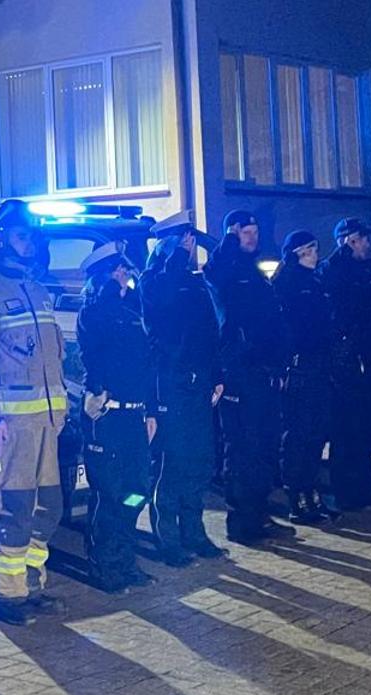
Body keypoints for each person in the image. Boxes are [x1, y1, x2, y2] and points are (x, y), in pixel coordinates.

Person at [0, 200, 68, 626]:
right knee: (12, 507)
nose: (31, 242)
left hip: (46, 424)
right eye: (23, 235)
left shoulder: (38, 291)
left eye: (32, 236)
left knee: (48, 507)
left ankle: (31, 582)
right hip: (9, 426)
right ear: (1, 239)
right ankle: (6, 593)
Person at [141, 211, 227, 565]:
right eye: (183, 242)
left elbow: (210, 330)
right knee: (172, 466)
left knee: (199, 462)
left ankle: (195, 532)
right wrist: (175, 256)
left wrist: (217, 374)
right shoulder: (153, 280)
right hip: (171, 387)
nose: (189, 249)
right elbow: (164, 310)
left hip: (198, 385)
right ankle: (169, 540)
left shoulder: (192, 280)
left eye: (190, 243)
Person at [206, 210, 295, 544]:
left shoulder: (254, 272)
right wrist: (229, 240)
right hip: (238, 374)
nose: (252, 237)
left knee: (262, 447)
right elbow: (216, 275)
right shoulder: (225, 269)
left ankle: (258, 514)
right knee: (242, 449)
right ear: (231, 235)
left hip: (261, 374)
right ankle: (242, 523)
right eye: (245, 232)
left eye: (255, 231)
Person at [75, 243, 158, 593]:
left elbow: (146, 362)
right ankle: (105, 564)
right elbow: (97, 348)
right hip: (108, 416)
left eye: (125, 269)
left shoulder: (132, 309)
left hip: (134, 416)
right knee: (109, 494)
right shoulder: (95, 310)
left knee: (136, 491)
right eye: (118, 270)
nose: (126, 274)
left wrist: (151, 409)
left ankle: (125, 558)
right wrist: (111, 291)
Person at [317, 218, 371, 510]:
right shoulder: (333, 269)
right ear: (349, 240)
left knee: (370, 424)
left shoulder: (363, 272)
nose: (368, 244)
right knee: (347, 428)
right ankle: (347, 491)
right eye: (362, 239)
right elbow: (336, 312)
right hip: (345, 359)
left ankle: (364, 485)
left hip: (365, 355)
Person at [273, 230, 343, 524]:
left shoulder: (316, 282)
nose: (316, 254)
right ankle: (296, 497)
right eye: (310, 249)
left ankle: (312, 493)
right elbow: (284, 329)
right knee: (298, 435)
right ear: (297, 253)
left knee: (316, 432)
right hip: (299, 368)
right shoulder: (286, 284)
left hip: (320, 365)